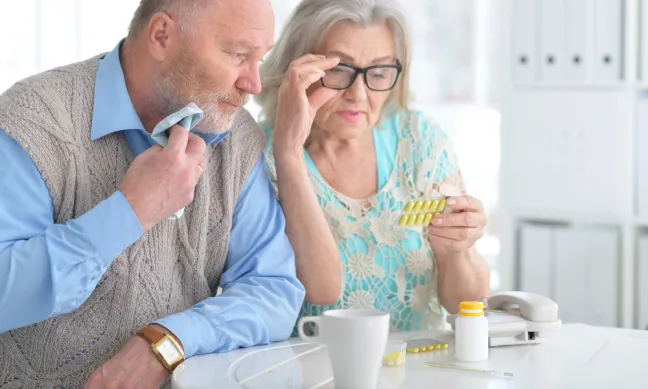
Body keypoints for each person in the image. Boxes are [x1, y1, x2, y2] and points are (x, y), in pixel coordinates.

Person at [0, 0, 305, 388]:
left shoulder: (236, 136)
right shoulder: (35, 121)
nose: (253, 84)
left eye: (258, 60)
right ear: (161, 36)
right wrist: (131, 211)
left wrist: (169, 340)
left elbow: (274, 290)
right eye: (238, 55)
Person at [255, 0, 491, 333]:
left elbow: (466, 305)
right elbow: (321, 290)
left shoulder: (420, 139)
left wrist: (457, 251)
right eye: (339, 70)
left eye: (378, 73)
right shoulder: (260, 155)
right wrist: (289, 152)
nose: (359, 94)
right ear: (296, 70)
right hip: (312, 371)